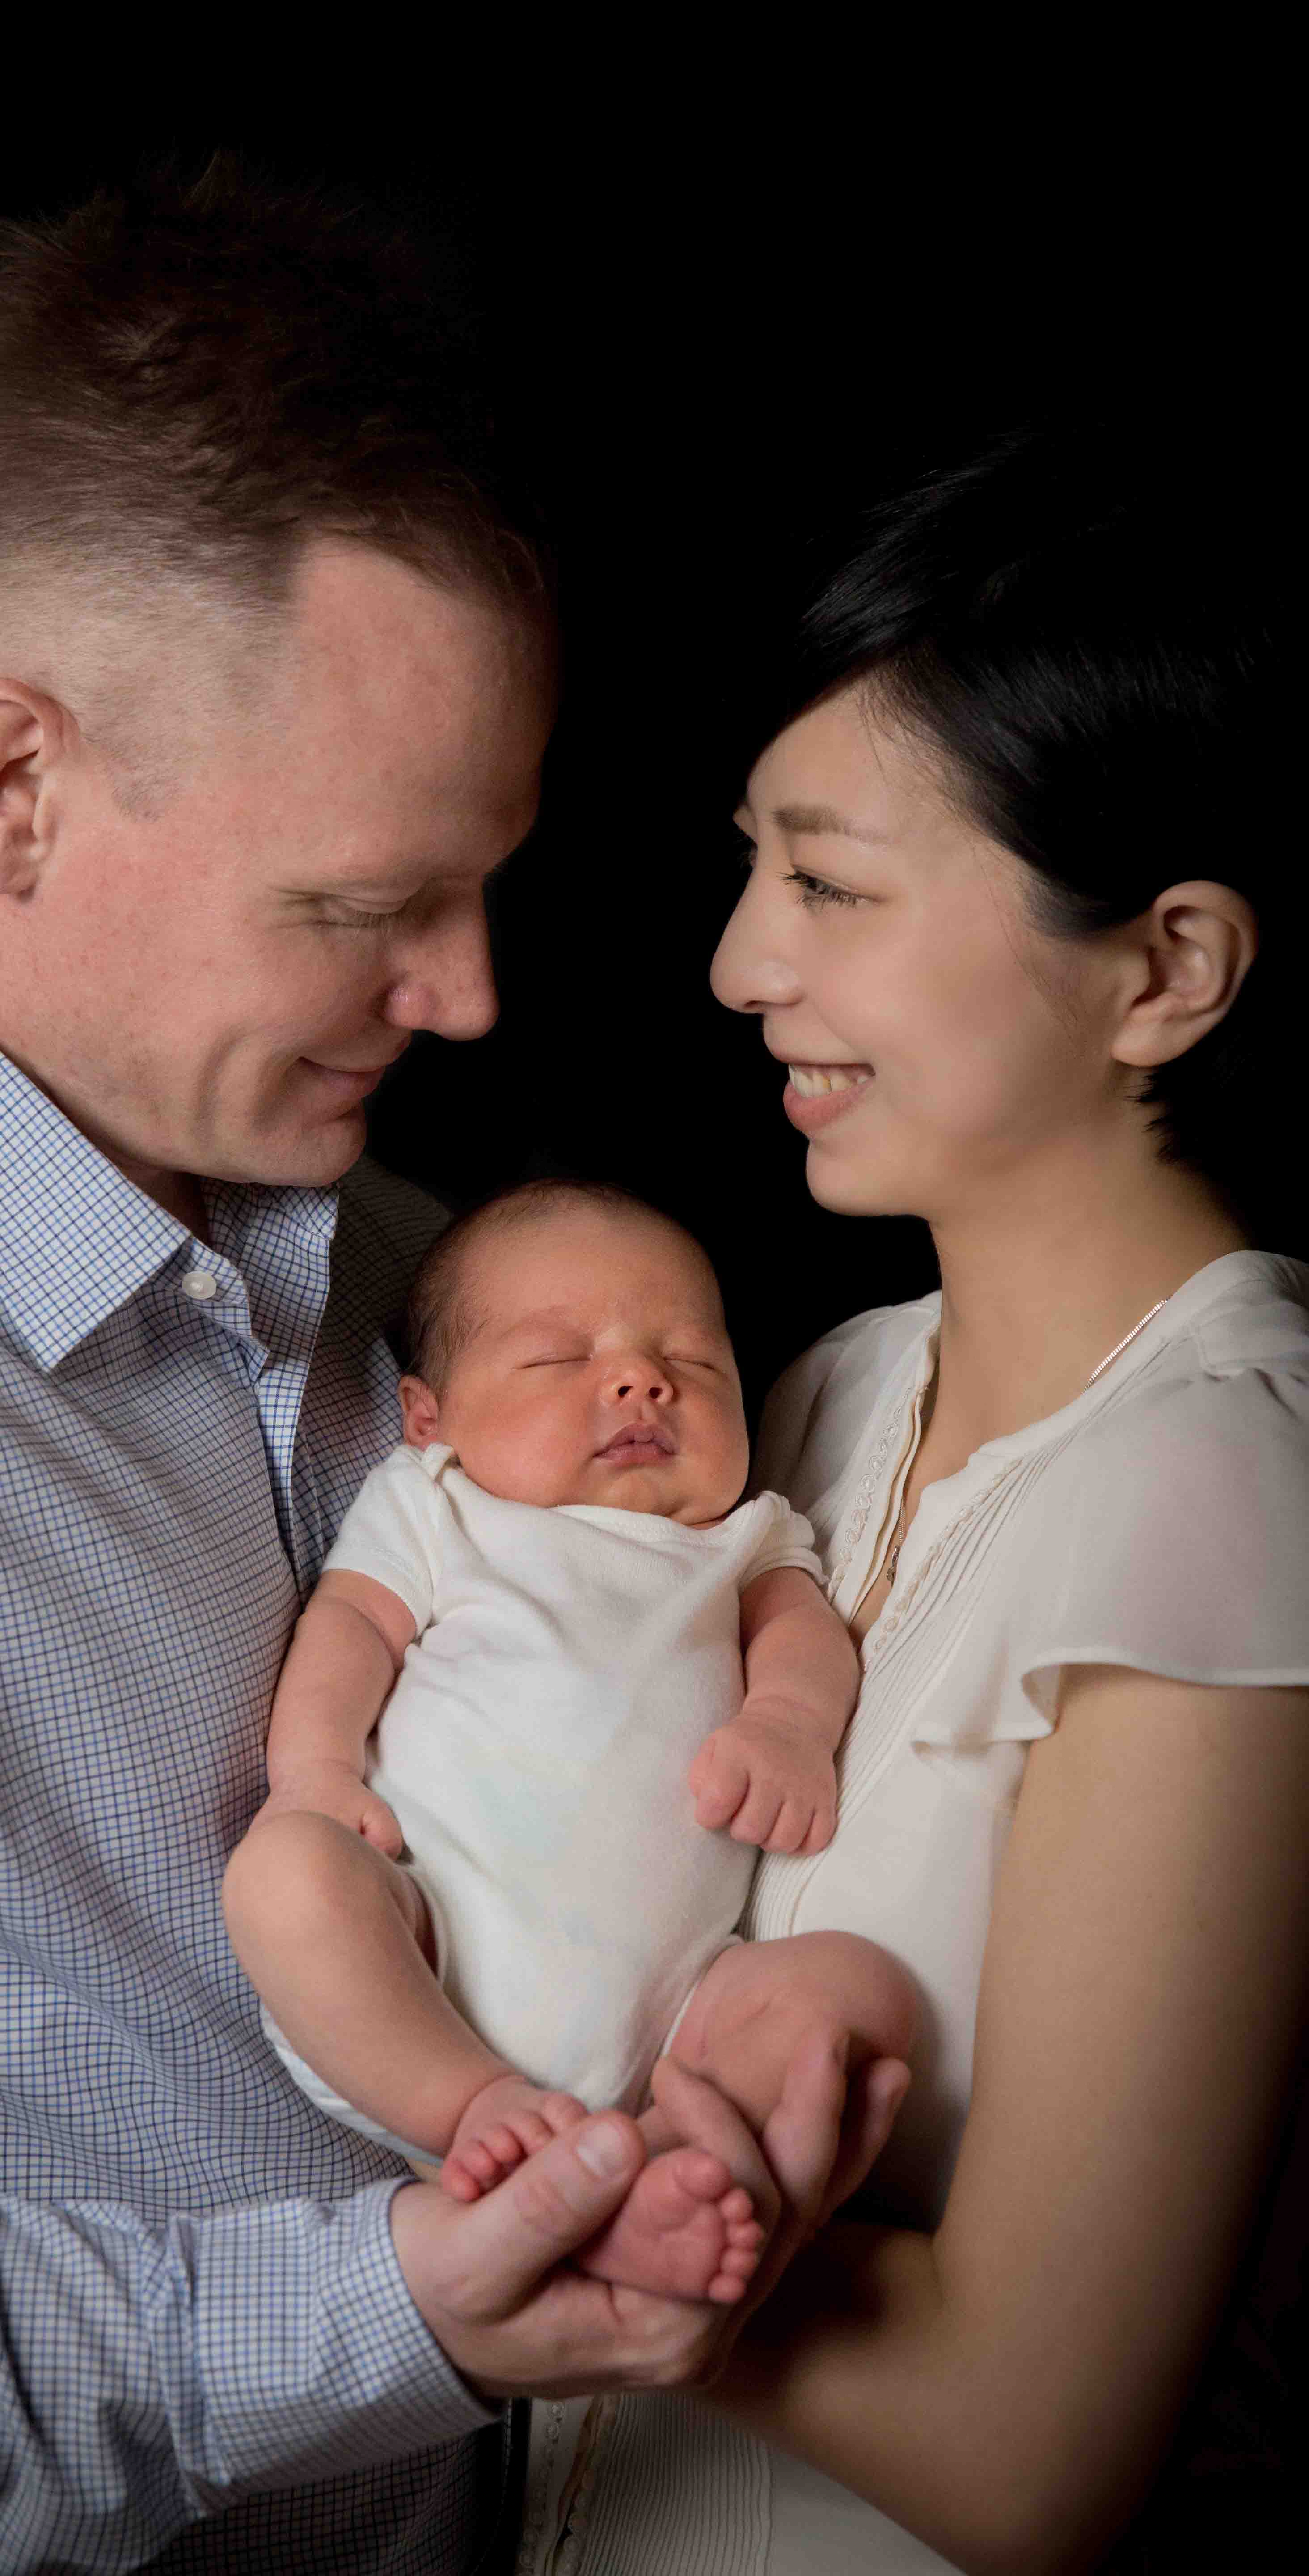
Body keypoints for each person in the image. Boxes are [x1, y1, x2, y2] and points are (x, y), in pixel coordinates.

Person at [0, 169, 901, 2572]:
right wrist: (351, 2323)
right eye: (368, 906)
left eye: (483, 884)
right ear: (12, 785)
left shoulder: (408, 1263)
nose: (471, 998)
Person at [518, 429, 1309, 2572]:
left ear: (1164, 970)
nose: (736, 964)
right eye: (752, 870)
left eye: (830, 885)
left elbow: (1031, 2451)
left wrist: (518, 2203)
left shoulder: (1229, 1495)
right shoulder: (819, 1390)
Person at [224, 1178, 917, 2306]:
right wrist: (314, 1773)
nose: (643, 1381)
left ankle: (663, 2181)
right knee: (285, 1877)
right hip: (420, 1951)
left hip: (677, 2016)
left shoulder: (745, 1537)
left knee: (858, 1989)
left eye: (691, 1360)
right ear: (429, 1417)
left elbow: (803, 1636)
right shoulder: (440, 1505)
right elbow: (349, 1626)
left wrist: (787, 1725)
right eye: (559, 1358)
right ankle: (471, 2108)